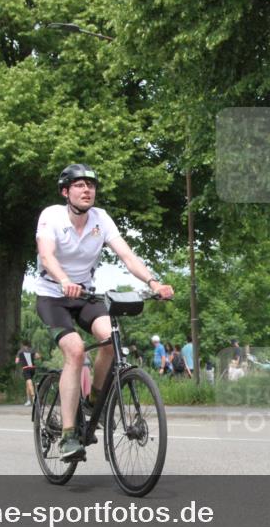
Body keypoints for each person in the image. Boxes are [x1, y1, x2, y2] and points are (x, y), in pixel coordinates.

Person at [34, 163, 173, 461]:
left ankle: (94, 401)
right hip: (53, 295)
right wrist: (64, 280)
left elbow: (126, 255)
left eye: (91, 185)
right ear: (65, 191)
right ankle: (69, 435)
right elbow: (46, 255)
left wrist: (153, 282)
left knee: (111, 339)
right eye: (79, 185)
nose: (87, 190)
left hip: (85, 294)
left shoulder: (101, 219)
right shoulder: (51, 216)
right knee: (74, 350)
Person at [15, 341, 42, 407]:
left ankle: (34, 398)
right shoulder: (32, 350)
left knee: (29, 383)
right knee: (27, 384)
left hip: (26, 368)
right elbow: (38, 356)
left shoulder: (20, 351)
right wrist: (33, 356)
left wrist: (20, 360)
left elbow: (16, 361)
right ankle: (28, 400)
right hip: (33, 368)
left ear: (22, 344)